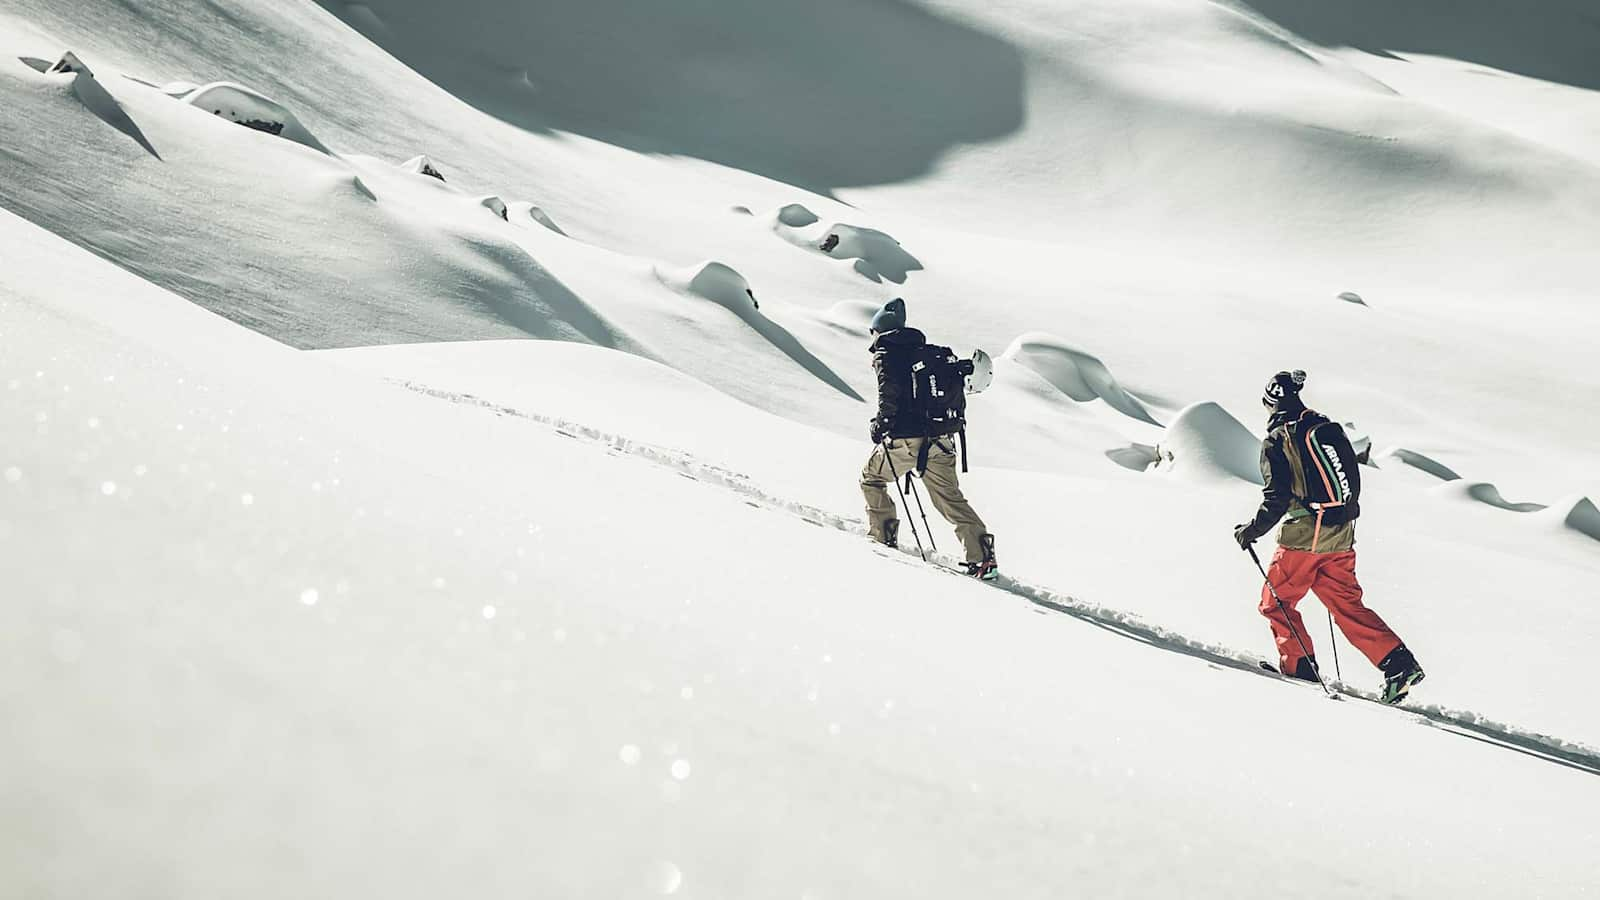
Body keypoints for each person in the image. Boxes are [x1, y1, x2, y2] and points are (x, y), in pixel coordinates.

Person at [1233, 370, 1425, 703]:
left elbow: (1276, 497)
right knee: (1347, 605)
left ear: (1271, 402)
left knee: (1275, 602)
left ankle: (1299, 667)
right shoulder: (1322, 426)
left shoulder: (1278, 438)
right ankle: (1398, 663)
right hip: (1341, 533)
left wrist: (1251, 530)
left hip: (1304, 537)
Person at [860, 298, 998, 579]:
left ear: (878, 330)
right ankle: (982, 558)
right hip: (942, 439)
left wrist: (882, 423)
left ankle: (883, 538)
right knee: (950, 499)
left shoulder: (887, 353)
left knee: (871, 479)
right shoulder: (926, 352)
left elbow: (889, 394)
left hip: (906, 441)